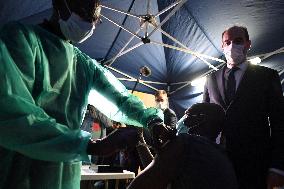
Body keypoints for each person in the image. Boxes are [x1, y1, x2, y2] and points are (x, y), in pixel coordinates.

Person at [0, 0, 166, 188]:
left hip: (65, 177)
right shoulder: (19, 40)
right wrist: (91, 146)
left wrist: (153, 121)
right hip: (18, 173)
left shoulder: (84, 65)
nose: (88, 22)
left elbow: (121, 101)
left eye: (94, 18)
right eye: (82, 11)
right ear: (59, 4)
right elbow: (11, 113)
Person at [203, 25, 284, 188]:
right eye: (227, 42)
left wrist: (278, 167)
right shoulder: (210, 79)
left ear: (248, 44)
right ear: (222, 46)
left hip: (255, 164)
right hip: (217, 163)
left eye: (238, 41)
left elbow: (280, 123)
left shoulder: (267, 76)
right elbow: (205, 121)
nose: (232, 45)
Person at [127, 103, 238, 189]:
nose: (182, 120)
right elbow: (160, 169)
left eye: (187, 115)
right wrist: (139, 140)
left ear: (200, 119)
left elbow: (147, 182)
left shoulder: (188, 143)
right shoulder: (215, 154)